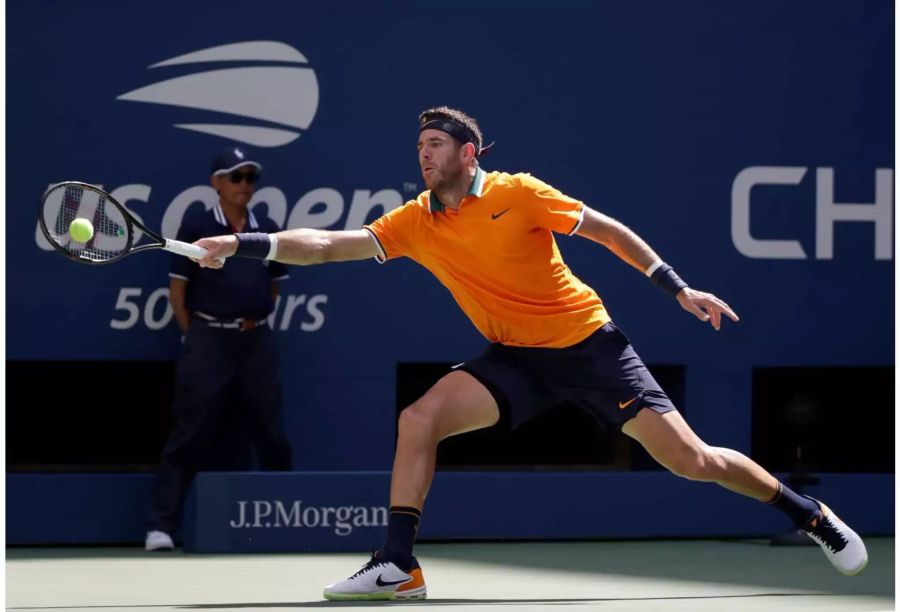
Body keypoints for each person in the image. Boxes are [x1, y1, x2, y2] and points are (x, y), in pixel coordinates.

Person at [193, 108, 867, 597]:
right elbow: (330, 244)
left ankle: (812, 518)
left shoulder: (520, 193)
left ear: (469, 152)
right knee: (418, 419)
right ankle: (398, 566)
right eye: (419, 145)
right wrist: (245, 244)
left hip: (590, 350)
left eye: (436, 144)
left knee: (694, 462)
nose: (423, 155)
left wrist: (677, 287)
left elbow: (607, 232)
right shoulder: (416, 221)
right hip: (515, 359)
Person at [145, 146, 293, 551]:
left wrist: (251, 322)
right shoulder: (196, 224)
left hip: (257, 341)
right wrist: (198, 335)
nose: (245, 185)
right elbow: (179, 293)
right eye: (236, 176)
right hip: (207, 340)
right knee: (190, 431)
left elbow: (273, 286)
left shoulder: (268, 228)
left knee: (270, 433)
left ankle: (290, 520)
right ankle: (161, 526)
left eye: (250, 177)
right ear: (217, 182)